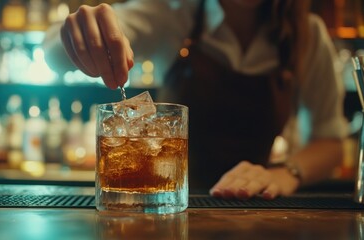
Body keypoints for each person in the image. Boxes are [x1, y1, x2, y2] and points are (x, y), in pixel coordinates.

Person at [43, 0, 348, 200]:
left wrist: (284, 174)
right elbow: (54, 52)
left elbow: (330, 141)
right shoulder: (173, 14)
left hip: (255, 210)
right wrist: (75, 33)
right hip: (169, 208)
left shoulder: (307, 35)